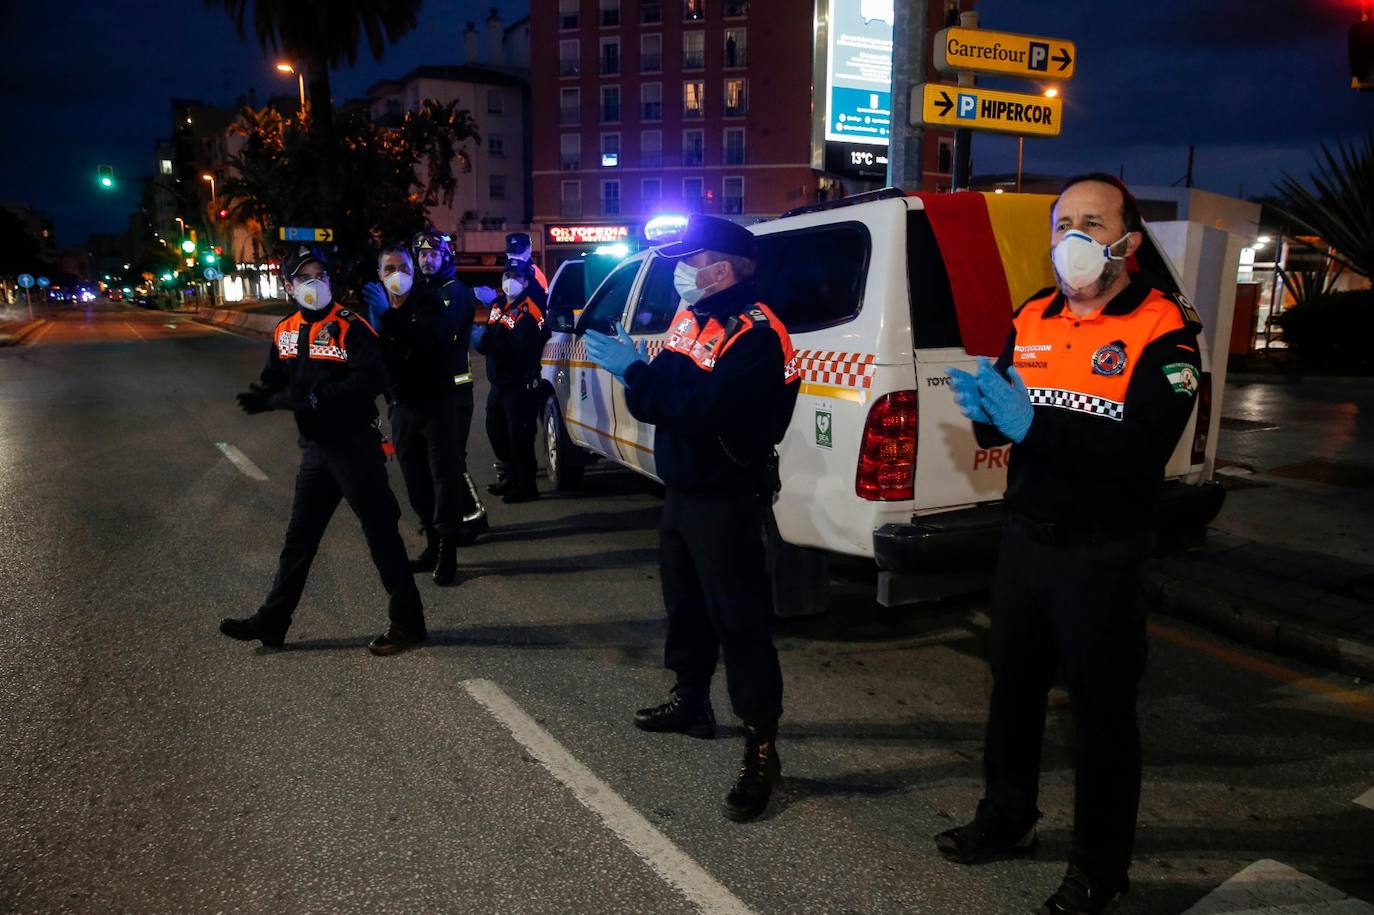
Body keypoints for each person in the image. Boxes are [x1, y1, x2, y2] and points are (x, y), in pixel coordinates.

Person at [938, 174, 1203, 915]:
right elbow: (1007, 422)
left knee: (1101, 714)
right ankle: (1007, 817)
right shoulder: (1032, 315)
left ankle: (1100, 867)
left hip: (1103, 552)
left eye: (1091, 221)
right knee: (1012, 692)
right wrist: (986, 413)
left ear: (1129, 241)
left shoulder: (1164, 329)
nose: (1072, 237)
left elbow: (1142, 446)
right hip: (1025, 541)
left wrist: (1030, 425)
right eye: (1062, 224)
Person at [584, 214, 800, 822]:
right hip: (681, 487)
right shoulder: (694, 317)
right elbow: (662, 394)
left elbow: (700, 408)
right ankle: (692, 701)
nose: (681, 269)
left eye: (692, 258)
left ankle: (762, 746)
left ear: (723, 268)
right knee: (685, 604)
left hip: (726, 496)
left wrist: (635, 374)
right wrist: (641, 376)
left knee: (741, 622)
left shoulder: (756, 333)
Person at [221, 245, 427, 656]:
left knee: (381, 534)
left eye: (321, 276)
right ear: (289, 286)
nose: (315, 284)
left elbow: (372, 381)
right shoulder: (284, 331)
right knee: (300, 538)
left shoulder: (351, 327)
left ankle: (409, 622)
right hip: (316, 449)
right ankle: (274, 621)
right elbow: (276, 378)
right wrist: (267, 397)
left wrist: (317, 398)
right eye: (305, 278)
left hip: (355, 446)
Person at [374, 243, 486, 586]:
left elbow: (427, 345)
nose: (398, 275)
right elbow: (380, 362)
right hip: (402, 409)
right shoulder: (379, 310)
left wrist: (388, 318)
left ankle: (448, 551)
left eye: (403, 267)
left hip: (437, 406)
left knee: (444, 479)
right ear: (379, 275)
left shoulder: (430, 303)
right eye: (389, 269)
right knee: (415, 482)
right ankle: (432, 542)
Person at [475, 258, 547, 504]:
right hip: (499, 382)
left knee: (520, 437)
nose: (509, 282)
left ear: (526, 282)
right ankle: (510, 476)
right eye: (506, 276)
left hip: (519, 383)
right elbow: (492, 332)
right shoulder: (498, 304)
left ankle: (526, 486)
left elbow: (520, 346)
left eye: (516, 277)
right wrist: (487, 340)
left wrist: (487, 342)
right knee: (496, 430)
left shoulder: (529, 309)